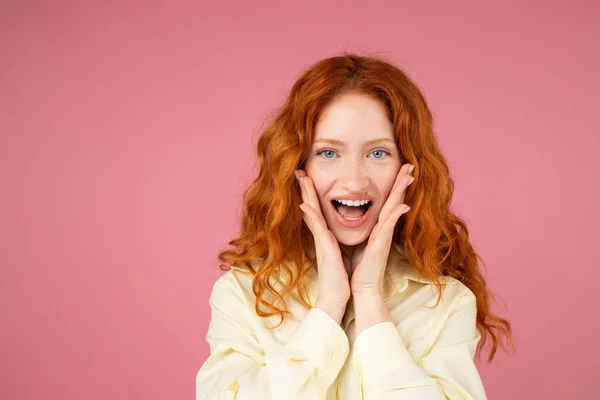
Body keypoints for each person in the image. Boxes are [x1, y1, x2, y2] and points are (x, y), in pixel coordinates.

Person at [196, 53, 514, 399]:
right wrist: (330, 303)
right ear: (296, 165)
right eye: (329, 153)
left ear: (408, 168)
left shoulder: (445, 302)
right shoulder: (243, 293)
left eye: (378, 153)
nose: (354, 181)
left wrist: (369, 298)